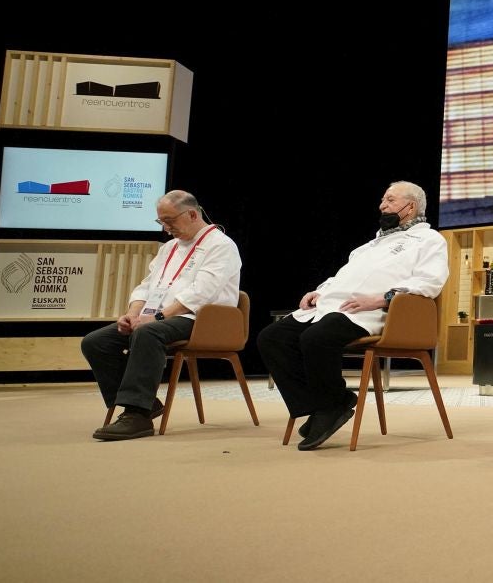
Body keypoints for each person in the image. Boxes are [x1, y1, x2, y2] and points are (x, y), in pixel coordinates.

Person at [258, 181, 447, 451]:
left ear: (411, 207)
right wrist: (319, 291)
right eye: (383, 200)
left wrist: (382, 299)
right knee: (272, 338)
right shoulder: (368, 245)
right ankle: (327, 404)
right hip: (334, 307)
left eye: (390, 200)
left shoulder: (429, 240)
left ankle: (330, 405)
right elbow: (341, 277)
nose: (382, 205)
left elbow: (430, 283)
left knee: (316, 338)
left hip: (379, 314)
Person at [83, 191, 241, 441]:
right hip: (159, 318)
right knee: (96, 342)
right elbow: (146, 286)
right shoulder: (169, 248)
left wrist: (156, 318)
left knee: (148, 332)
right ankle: (145, 402)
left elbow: (201, 293)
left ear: (191, 214)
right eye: (161, 222)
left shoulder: (221, 245)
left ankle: (138, 414)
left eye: (169, 221)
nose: (166, 228)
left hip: (200, 321)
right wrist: (132, 314)